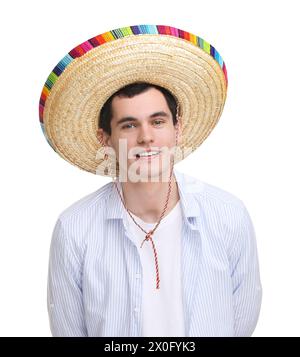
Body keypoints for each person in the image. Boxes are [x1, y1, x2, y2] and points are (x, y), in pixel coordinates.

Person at [40, 25, 262, 337]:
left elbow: (242, 318)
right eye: (129, 125)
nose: (146, 137)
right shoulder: (75, 228)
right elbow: (69, 330)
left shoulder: (227, 215)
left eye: (158, 121)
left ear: (177, 129)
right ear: (106, 139)